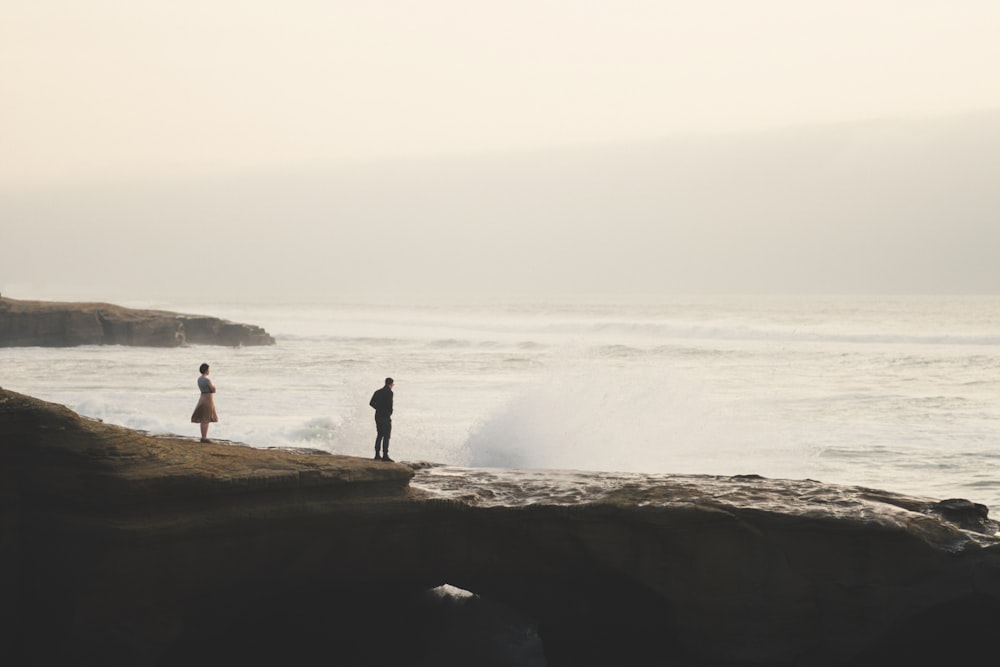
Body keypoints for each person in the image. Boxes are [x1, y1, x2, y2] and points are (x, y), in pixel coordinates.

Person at [190, 362, 218, 442]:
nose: (209, 371)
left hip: (202, 397)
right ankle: (204, 437)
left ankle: (203, 436)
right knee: (206, 419)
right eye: (209, 369)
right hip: (208, 398)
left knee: (203, 419)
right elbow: (213, 390)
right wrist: (214, 387)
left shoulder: (199, 379)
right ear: (206, 370)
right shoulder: (207, 380)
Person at [369, 377, 394, 461]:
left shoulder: (378, 392)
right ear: (390, 384)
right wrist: (389, 412)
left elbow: (371, 403)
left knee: (379, 435)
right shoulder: (389, 392)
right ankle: (385, 455)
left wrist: (378, 408)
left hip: (377, 416)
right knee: (386, 436)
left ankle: (377, 454)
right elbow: (390, 405)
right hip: (385, 417)